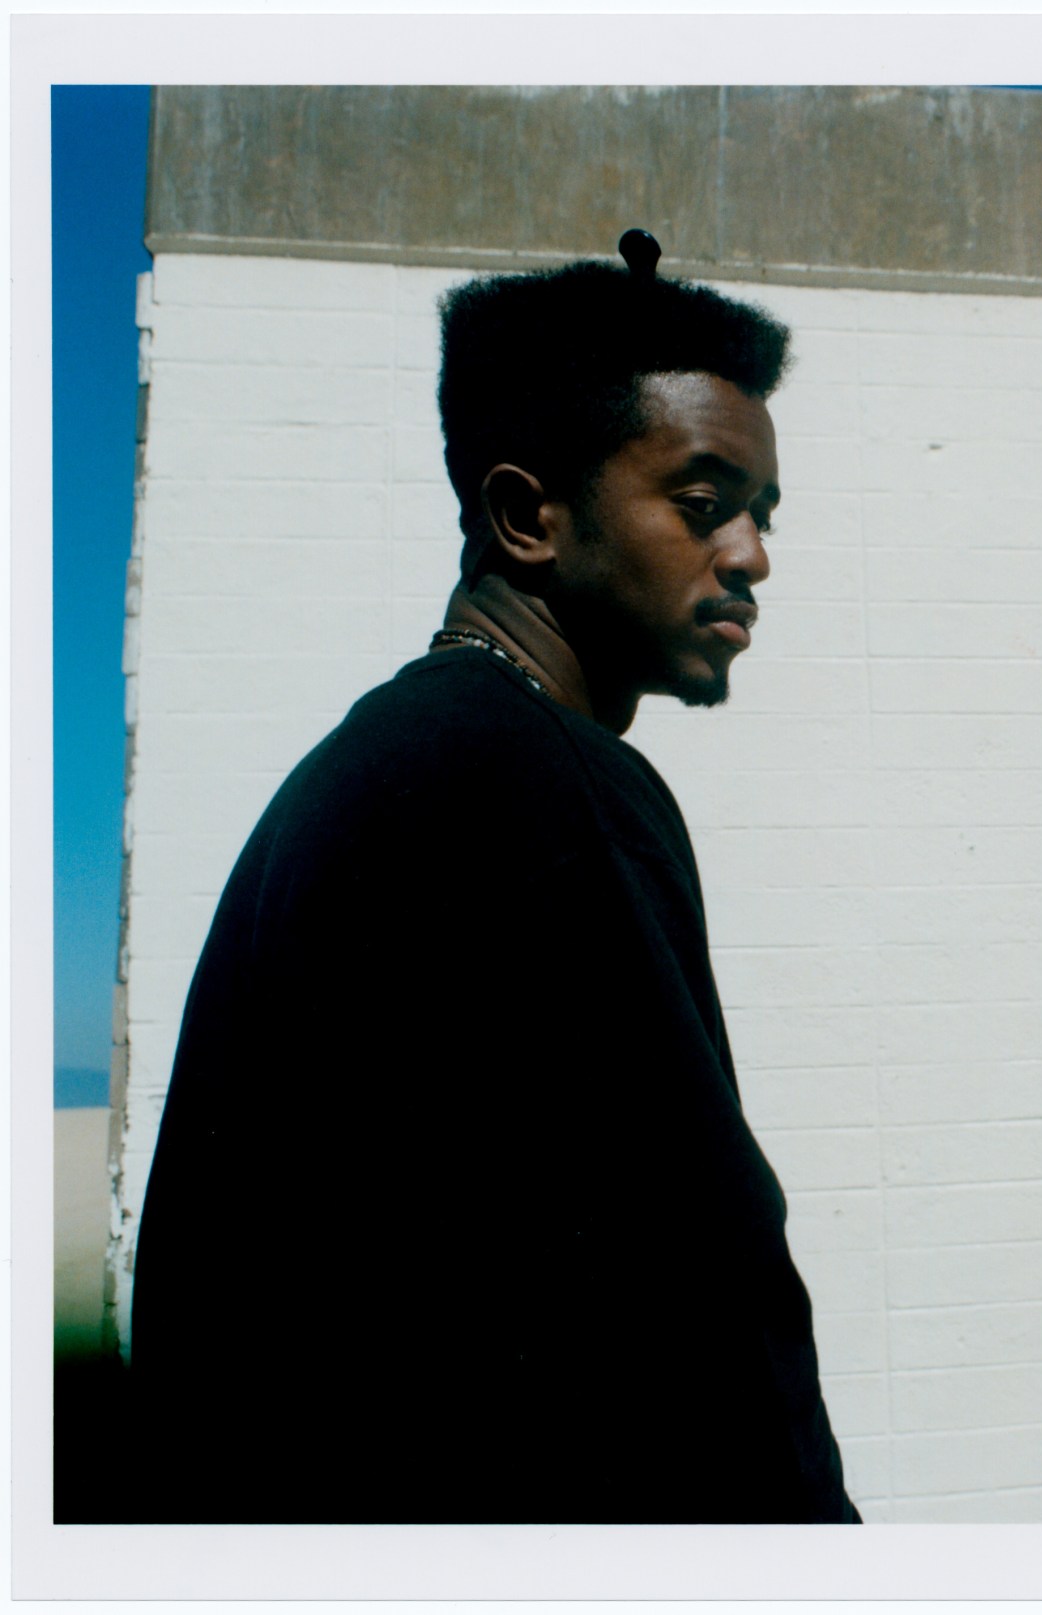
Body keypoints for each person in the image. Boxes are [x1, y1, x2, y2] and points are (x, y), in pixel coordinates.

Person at [131, 234, 859, 1524]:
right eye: (703, 501)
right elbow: (697, 1282)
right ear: (530, 516)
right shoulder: (545, 784)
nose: (750, 554)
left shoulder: (379, 766)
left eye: (763, 512)